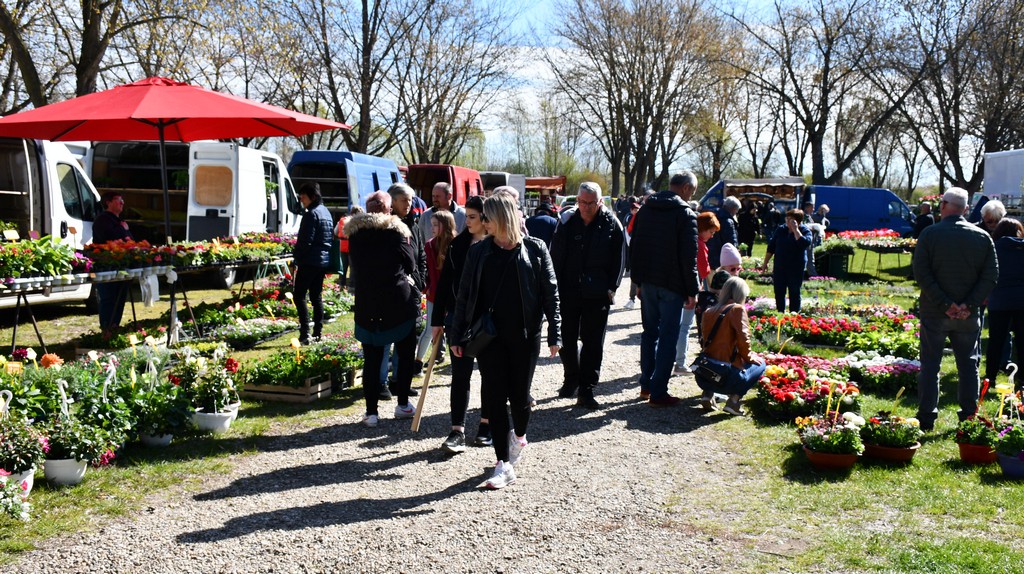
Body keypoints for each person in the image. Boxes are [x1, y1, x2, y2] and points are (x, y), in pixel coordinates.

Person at [450, 193, 560, 489]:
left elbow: (551, 293)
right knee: (494, 396)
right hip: (489, 337)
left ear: (501, 218)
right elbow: (464, 295)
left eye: (486, 217)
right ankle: (503, 464)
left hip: (525, 336)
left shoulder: (536, 250)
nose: (481, 222)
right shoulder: (479, 251)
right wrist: (457, 332)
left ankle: (520, 437)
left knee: (520, 398)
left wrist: (555, 332)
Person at [912, 187, 998, 431]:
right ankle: (969, 416)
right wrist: (968, 305)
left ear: (943, 206)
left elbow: (922, 274)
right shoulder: (982, 236)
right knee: (969, 364)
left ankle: (927, 416)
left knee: (930, 365)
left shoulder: (930, 234)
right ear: (966, 209)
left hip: (935, 311)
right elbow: (991, 276)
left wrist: (945, 303)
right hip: (967, 315)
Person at [346, 191, 420, 427]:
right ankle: (402, 404)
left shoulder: (355, 235)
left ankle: (371, 412)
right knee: (405, 353)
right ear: (389, 210)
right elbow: (411, 263)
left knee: (372, 358)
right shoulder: (397, 232)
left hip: (368, 302)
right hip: (398, 302)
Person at [550, 181, 625, 409]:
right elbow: (555, 257)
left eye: (591, 203)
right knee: (566, 338)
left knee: (593, 343)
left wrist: (612, 287)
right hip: (568, 290)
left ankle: (587, 389)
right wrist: (553, 288)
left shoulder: (612, 224)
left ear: (600, 202)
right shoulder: (566, 222)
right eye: (582, 202)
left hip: (598, 292)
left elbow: (619, 259)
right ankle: (571, 377)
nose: (586, 207)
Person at [629, 171, 700, 406]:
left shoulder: (646, 210)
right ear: (687, 188)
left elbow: (636, 247)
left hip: (648, 282)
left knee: (650, 334)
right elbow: (689, 257)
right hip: (672, 284)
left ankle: (646, 386)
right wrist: (693, 290)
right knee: (668, 336)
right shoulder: (685, 214)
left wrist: (638, 281)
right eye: (694, 190)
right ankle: (659, 391)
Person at [432, 196, 490, 452]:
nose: (466, 221)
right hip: (459, 318)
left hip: (488, 321)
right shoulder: (458, 245)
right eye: (465, 216)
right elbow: (444, 284)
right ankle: (457, 430)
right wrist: (437, 321)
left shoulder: (497, 244)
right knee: (460, 376)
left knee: (490, 374)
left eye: (472, 217)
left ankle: (486, 425)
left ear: (486, 219)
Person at [696, 276, 766, 415]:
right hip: (727, 377)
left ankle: (707, 394)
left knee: (715, 353)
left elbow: (703, 341)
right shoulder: (737, 309)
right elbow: (743, 340)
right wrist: (750, 357)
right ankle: (733, 401)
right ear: (741, 294)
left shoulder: (709, 311)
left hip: (704, 374)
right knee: (761, 364)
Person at [674, 211, 720, 375]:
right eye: (711, 231)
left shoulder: (688, 240)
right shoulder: (699, 244)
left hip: (678, 288)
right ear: (702, 229)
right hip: (691, 290)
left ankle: (673, 360)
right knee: (684, 327)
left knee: (675, 326)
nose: (712, 236)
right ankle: (680, 362)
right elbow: (703, 269)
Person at [984, 218, 1024, 389]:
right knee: (1022, 342)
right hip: (1022, 300)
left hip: (999, 300)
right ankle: (1021, 380)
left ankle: (990, 377)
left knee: (996, 341)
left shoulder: (994, 248)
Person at [292, 183, 334, 344]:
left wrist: (297, 256)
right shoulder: (326, 212)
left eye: (303, 197)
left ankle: (305, 333)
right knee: (316, 297)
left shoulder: (311, 214)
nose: (301, 201)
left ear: (313, 197)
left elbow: (305, 241)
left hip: (309, 260)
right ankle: (317, 331)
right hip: (322, 261)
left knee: (299, 296)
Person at [416, 210, 457, 372]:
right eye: (431, 224)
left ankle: (456, 360)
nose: (432, 228)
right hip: (435, 294)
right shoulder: (430, 245)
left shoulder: (456, 243)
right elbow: (430, 273)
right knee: (430, 329)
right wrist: (428, 289)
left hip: (453, 295)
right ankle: (418, 362)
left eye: (435, 224)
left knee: (453, 328)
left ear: (445, 225)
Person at [92, 192, 133, 335]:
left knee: (120, 298)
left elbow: (129, 241)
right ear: (108, 202)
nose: (122, 203)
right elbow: (113, 238)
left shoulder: (119, 221)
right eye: (118, 200)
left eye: (122, 200)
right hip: (107, 265)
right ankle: (106, 328)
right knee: (109, 298)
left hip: (121, 264)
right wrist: (124, 231)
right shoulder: (102, 220)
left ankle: (114, 326)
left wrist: (126, 232)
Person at [761, 209, 812, 313]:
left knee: (794, 292)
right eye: (787, 218)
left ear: (798, 221)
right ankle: (780, 313)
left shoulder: (805, 230)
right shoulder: (781, 229)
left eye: (790, 219)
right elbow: (771, 247)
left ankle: (794, 315)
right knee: (779, 291)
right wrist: (765, 263)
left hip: (796, 267)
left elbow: (804, 243)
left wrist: (796, 230)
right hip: (780, 266)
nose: (787, 221)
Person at [707, 196, 740, 269]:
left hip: (710, 254)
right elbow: (731, 241)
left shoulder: (714, 216)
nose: (736, 212)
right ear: (732, 208)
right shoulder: (728, 221)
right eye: (736, 210)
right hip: (722, 257)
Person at [335, 205, 363, 288]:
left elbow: (335, 232)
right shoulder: (357, 222)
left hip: (342, 246)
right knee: (353, 267)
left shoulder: (341, 220)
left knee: (343, 266)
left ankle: (340, 284)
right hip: (352, 246)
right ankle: (351, 286)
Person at [623, 198, 642, 310]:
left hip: (639, 250)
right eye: (635, 209)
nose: (636, 211)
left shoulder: (641, 217)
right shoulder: (630, 218)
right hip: (634, 249)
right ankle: (632, 299)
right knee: (635, 277)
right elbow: (627, 232)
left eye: (638, 209)